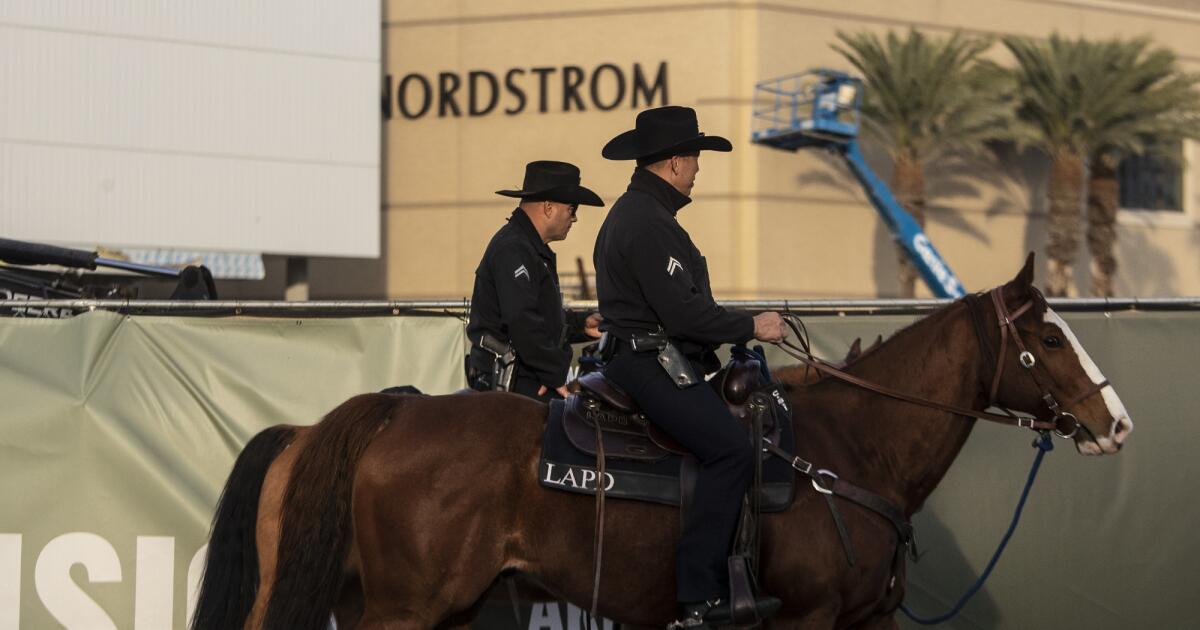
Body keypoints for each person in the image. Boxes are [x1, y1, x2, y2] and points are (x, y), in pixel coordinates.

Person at [594, 106, 787, 625]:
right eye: (695, 157)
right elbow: (683, 313)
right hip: (646, 364)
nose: (699, 168)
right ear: (675, 162)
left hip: (649, 357)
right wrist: (753, 326)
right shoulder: (647, 223)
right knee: (729, 450)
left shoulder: (641, 215)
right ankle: (699, 593)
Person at [466, 160, 604, 401]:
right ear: (549, 207)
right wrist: (556, 374)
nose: (575, 218)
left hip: (524, 379)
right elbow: (522, 319)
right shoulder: (514, 248)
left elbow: (539, 317)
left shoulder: (526, 247)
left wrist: (581, 325)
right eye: (572, 209)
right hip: (511, 386)